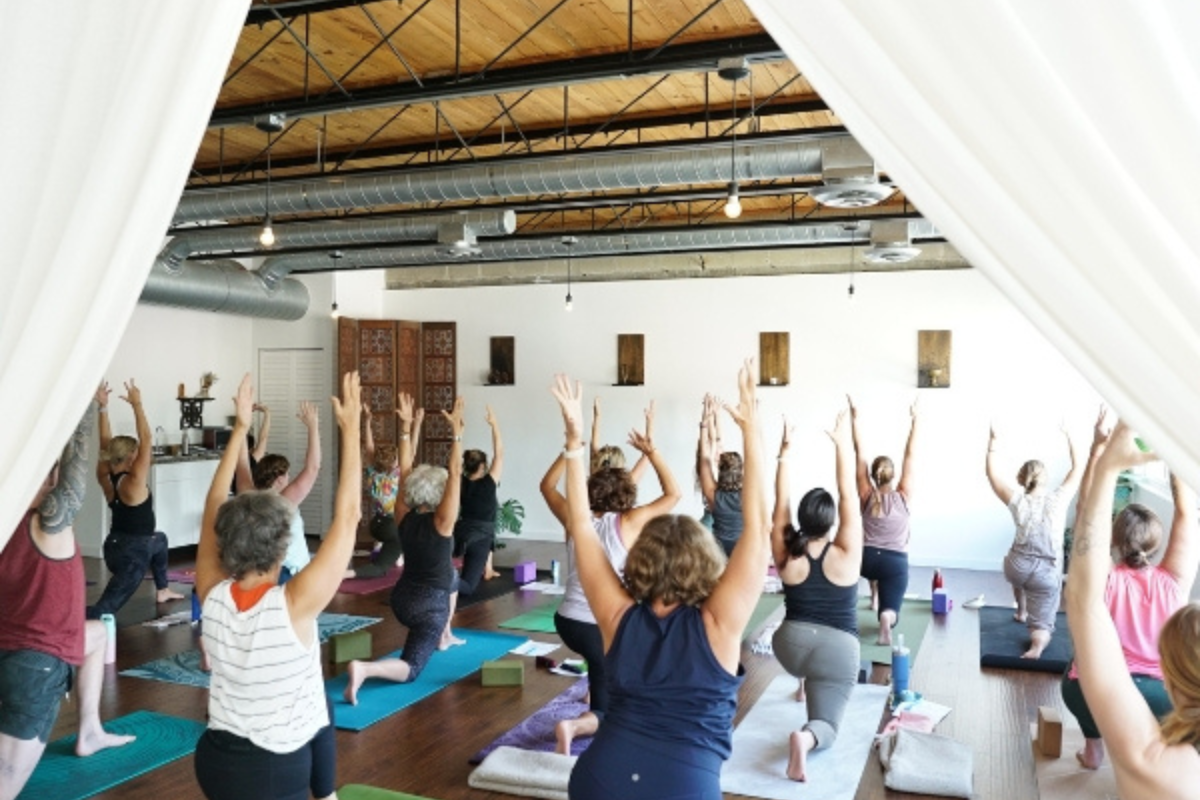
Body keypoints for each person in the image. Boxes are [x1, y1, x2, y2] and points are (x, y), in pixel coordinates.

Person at [550, 363, 766, 800]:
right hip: (682, 785)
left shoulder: (616, 616)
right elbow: (758, 526)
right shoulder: (721, 625)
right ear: (705, 563)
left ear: (642, 561)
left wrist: (575, 443)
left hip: (599, 778)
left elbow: (579, 521)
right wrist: (751, 432)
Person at [193, 372, 361, 800]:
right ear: (282, 549)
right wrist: (351, 429)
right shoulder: (293, 604)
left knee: (317, 702)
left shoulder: (211, 594)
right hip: (269, 769)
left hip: (214, 758)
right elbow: (348, 518)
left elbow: (213, 506)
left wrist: (241, 430)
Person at [0, 401, 135, 800]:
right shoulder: (48, 521)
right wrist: (84, 404)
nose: (55, 477)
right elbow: (74, 479)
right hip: (36, 666)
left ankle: (90, 730)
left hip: (14, 649)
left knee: (95, 634)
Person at [1066, 420, 1200, 800]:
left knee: (1074, 675)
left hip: (1099, 696)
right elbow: (1189, 518)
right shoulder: (1172, 583)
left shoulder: (1159, 767)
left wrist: (1106, 462)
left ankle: (1093, 745)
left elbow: (1082, 597)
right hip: (1157, 699)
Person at [540, 399, 680, 755]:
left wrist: (572, 447)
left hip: (566, 621)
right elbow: (674, 494)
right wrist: (652, 450)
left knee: (607, 665)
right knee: (608, 707)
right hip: (602, 625)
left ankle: (600, 686)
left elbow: (547, 485)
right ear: (627, 496)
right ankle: (573, 726)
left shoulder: (576, 519)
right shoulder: (628, 522)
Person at [343, 394, 466, 701]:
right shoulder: (443, 523)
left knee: (452, 577)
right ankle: (365, 670)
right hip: (430, 607)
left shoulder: (402, 516)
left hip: (402, 600)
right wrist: (457, 434)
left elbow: (407, 468)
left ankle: (444, 635)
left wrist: (407, 428)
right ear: (439, 494)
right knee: (411, 668)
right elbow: (455, 474)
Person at [771, 410, 862, 782]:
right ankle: (805, 740)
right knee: (827, 724)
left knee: (812, 664)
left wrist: (784, 453)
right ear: (831, 520)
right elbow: (849, 494)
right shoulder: (846, 553)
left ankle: (803, 683)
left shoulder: (788, 553)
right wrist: (842, 444)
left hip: (789, 646)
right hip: (836, 651)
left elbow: (780, 505)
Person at [88, 379, 183, 619]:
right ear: (132, 456)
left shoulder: (106, 473)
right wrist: (137, 404)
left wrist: (103, 408)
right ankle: (71, 624)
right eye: (136, 453)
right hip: (132, 557)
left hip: (114, 546)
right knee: (103, 610)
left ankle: (162, 590)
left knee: (160, 540)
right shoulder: (133, 483)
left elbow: (105, 441)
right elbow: (147, 439)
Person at [985, 423, 1081, 658]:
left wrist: (993, 443)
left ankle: (1021, 610)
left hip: (1015, 568)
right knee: (1043, 623)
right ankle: (1036, 646)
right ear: (1045, 479)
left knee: (1021, 572)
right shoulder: (1058, 499)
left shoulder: (1018, 500)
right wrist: (1071, 436)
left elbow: (993, 475)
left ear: (1021, 479)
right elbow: (1078, 467)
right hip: (1045, 574)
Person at [850, 397, 917, 645]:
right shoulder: (904, 495)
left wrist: (855, 420)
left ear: (874, 475)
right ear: (894, 475)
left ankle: (871, 597)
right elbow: (910, 454)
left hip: (864, 560)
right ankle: (885, 619)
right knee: (892, 609)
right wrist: (915, 421)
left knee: (868, 562)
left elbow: (860, 454)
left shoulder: (867, 495)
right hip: (894, 562)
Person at [238, 400, 322, 583]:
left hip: (260, 573)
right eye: (287, 474)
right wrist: (313, 427)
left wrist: (242, 425)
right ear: (280, 478)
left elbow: (242, 462)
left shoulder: (248, 495)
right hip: (290, 574)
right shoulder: (283, 502)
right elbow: (312, 468)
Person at [344, 402, 423, 581]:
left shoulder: (373, 473)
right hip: (392, 525)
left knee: (393, 531)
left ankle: (380, 546)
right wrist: (415, 424)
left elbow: (369, 447)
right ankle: (392, 550)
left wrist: (367, 421)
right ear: (395, 463)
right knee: (406, 541)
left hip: (375, 525)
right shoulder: (397, 475)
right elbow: (412, 448)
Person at [455, 405, 504, 595]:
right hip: (480, 538)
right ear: (483, 465)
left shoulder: (459, 481)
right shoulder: (490, 482)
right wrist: (494, 425)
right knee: (467, 587)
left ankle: (488, 569)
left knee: (488, 530)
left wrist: (458, 433)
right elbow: (499, 453)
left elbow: (455, 463)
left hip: (460, 532)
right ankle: (445, 580)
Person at [699, 393, 744, 557]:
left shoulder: (713, 495)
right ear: (742, 471)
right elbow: (716, 444)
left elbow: (704, 457)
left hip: (718, 553)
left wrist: (705, 423)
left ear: (720, 468)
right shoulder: (749, 496)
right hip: (743, 552)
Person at [589, 396, 648, 481]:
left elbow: (593, 446)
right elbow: (647, 455)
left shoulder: (593, 482)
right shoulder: (628, 486)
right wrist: (650, 423)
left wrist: (597, 416)